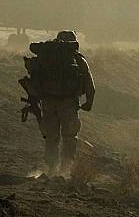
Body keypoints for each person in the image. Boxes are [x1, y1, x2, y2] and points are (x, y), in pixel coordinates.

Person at [33, 31, 95, 177]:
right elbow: (90, 84)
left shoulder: (45, 57)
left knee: (51, 136)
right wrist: (89, 102)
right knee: (69, 136)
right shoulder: (77, 59)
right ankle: (65, 169)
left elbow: (34, 78)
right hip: (69, 103)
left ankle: (52, 168)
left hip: (48, 102)